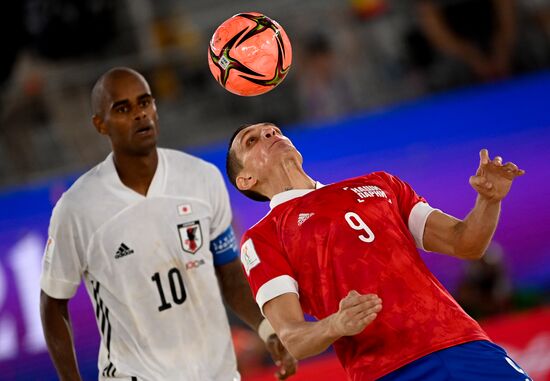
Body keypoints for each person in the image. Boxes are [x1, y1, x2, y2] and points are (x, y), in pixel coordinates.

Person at [39, 68, 297, 381]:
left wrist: (267, 329)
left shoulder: (202, 178)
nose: (139, 114)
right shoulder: (78, 207)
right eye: (123, 109)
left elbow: (229, 271)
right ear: (100, 124)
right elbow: (53, 303)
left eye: (145, 102)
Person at [226, 122, 531, 381]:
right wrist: (336, 324)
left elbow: (465, 243)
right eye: (252, 141)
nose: (269, 135)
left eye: (273, 130)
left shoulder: (380, 184)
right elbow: (293, 339)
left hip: (464, 342)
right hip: (388, 369)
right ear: (246, 180)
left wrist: (489, 202)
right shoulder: (262, 237)